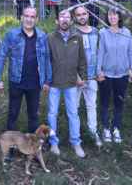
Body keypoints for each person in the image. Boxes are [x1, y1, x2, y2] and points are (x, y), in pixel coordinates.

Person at [0, 7, 49, 134]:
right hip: (16, 81)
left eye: (32, 17)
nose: (29, 19)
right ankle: (11, 146)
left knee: (33, 115)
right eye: (26, 16)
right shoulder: (11, 34)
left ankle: (32, 147)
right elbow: (1, 56)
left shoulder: (42, 36)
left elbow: (46, 59)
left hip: (35, 82)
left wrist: (47, 80)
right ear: (21, 17)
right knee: (13, 113)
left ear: (36, 19)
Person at [46, 9, 87, 158]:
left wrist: (82, 76)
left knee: (73, 114)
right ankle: (53, 142)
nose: (64, 19)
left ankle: (76, 142)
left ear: (71, 20)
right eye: (62, 16)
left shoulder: (77, 37)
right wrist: (46, 79)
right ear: (57, 20)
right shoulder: (50, 37)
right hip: (54, 83)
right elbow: (46, 60)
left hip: (71, 82)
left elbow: (82, 59)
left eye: (67, 17)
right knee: (52, 114)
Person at [97, 8, 132, 144]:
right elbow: (100, 53)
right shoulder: (103, 33)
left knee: (118, 102)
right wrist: (99, 71)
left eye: (115, 14)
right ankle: (106, 128)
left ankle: (116, 128)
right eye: (110, 14)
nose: (113, 17)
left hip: (122, 74)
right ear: (107, 17)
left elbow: (131, 52)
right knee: (104, 102)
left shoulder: (126, 33)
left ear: (120, 17)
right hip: (106, 74)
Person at [72, 6, 102, 147]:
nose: (82, 17)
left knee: (92, 106)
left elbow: (99, 53)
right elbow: (69, 57)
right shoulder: (72, 33)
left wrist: (99, 71)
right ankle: (75, 135)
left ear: (88, 15)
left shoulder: (96, 32)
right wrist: (77, 76)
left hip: (92, 77)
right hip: (76, 78)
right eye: (79, 15)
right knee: (74, 107)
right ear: (75, 17)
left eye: (84, 14)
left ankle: (93, 132)